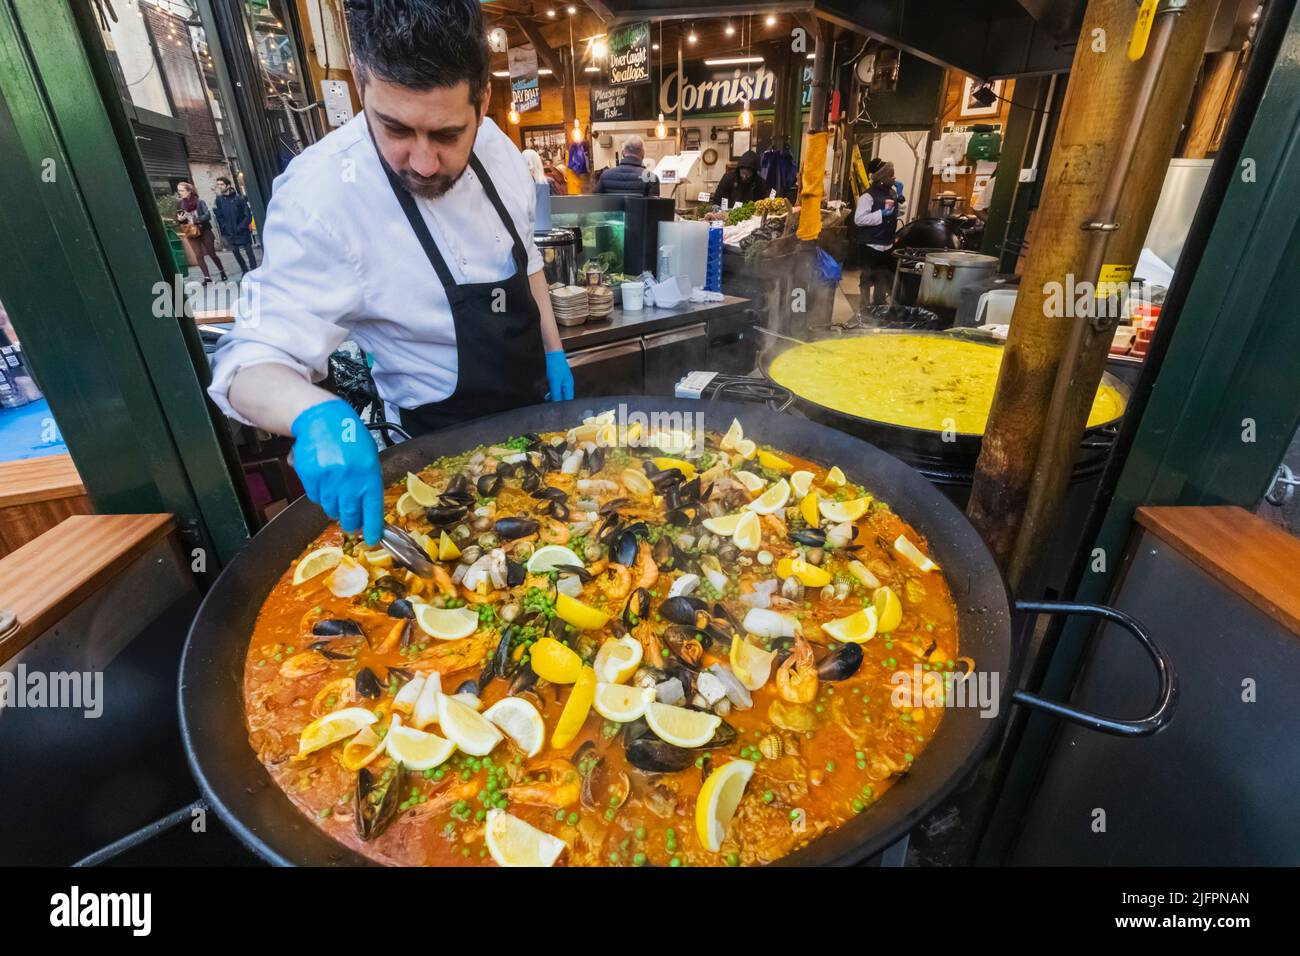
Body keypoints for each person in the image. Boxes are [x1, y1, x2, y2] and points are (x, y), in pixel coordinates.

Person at [207, 0, 573, 547]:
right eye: (395, 128)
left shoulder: (498, 149)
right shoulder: (322, 197)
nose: (423, 162)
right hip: (438, 460)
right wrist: (314, 413)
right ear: (360, 80)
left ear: (483, 100)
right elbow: (249, 359)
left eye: (448, 134)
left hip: (542, 424)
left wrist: (554, 349)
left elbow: (528, 262)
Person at [853, 158, 905, 307]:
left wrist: (899, 197)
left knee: (882, 277)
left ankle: (879, 305)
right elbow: (859, 219)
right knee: (867, 277)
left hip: (886, 243)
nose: (894, 178)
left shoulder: (892, 193)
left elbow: (899, 212)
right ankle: (863, 307)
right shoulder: (868, 196)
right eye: (890, 175)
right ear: (881, 178)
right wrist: (880, 214)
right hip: (870, 244)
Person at [176, 182, 227, 284]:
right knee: (198, 255)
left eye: (182, 190)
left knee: (212, 253)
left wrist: (195, 219)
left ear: (189, 191)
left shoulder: (200, 202)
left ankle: (222, 271)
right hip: (191, 233)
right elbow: (180, 219)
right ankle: (207, 278)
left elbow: (207, 216)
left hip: (204, 231)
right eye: (179, 190)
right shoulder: (180, 204)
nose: (180, 192)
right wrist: (181, 219)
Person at [213, 175, 257, 274]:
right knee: (236, 252)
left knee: (249, 252)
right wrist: (225, 226)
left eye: (222, 184)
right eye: (218, 184)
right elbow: (219, 216)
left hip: (242, 230)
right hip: (230, 232)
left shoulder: (239, 199)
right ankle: (244, 270)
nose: (219, 186)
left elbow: (247, 216)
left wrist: (241, 227)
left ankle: (254, 270)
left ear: (228, 186)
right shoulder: (219, 200)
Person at [593, 135, 659, 196]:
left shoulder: (605, 175)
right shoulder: (651, 177)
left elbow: (595, 202)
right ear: (643, 153)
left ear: (623, 153)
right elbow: (653, 208)